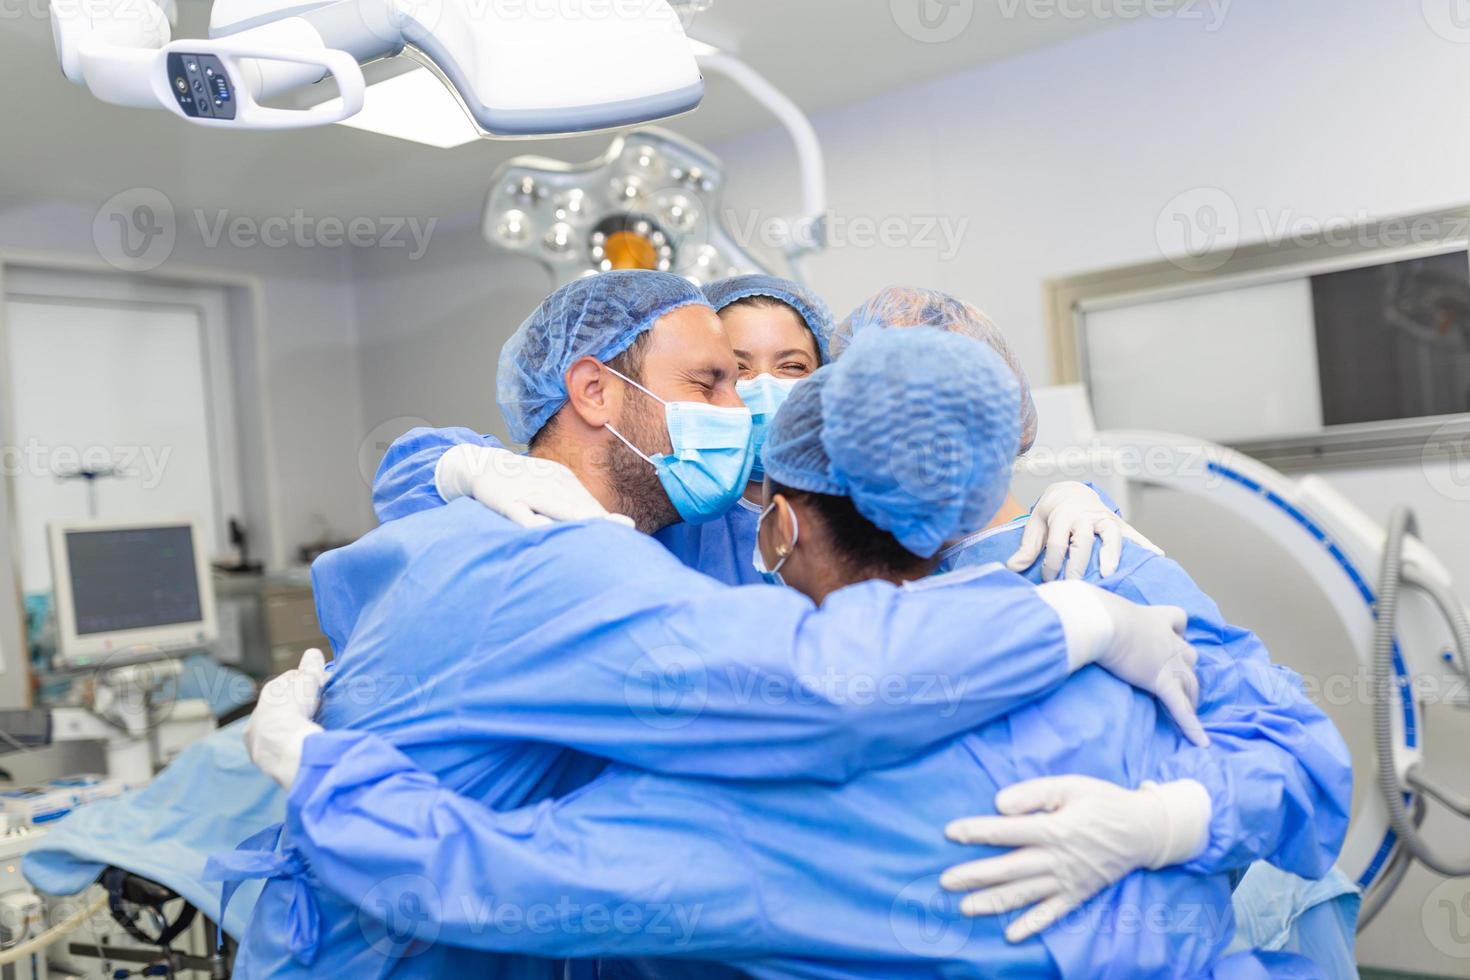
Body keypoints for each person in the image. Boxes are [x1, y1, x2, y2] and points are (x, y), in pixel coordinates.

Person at [216, 271, 1205, 978]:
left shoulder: (552, 524)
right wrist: (1074, 617)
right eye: (716, 379)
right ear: (596, 390)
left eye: (781, 375)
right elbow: (809, 684)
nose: (747, 406)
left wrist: (1047, 504)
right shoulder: (566, 555)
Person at [821, 287, 1352, 945]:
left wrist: (1159, 822)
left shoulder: (1091, 556)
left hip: (1232, 918)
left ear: (996, 415)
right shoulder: (866, 591)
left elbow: (1301, 758)